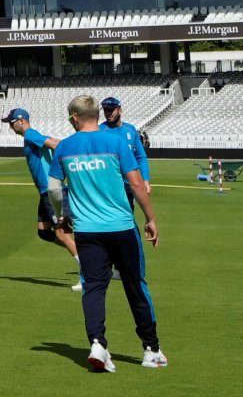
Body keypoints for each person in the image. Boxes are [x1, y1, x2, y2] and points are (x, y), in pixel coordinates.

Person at [52, 94, 166, 372]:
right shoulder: (116, 142)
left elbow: (54, 188)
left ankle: (98, 345)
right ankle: (151, 350)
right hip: (122, 227)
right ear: (95, 115)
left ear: (75, 118)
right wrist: (151, 219)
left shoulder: (65, 148)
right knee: (135, 286)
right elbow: (137, 184)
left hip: (87, 232)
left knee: (93, 289)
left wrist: (61, 215)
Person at [1, 107, 82, 291]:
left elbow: (56, 145)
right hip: (44, 192)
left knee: (62, 233)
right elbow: (56, 143)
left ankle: (86, 270)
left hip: (50, 191)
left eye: (11, 123)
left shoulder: (30, 134)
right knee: (44, 232)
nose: (11, 127)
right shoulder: (33, 136)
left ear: (21, 121)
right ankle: (83, 254)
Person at [100, 97, 151, 204]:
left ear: (120, 110)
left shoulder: (130, 129)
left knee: (128, 217)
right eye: (105, 110)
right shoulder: (100, 130)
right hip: (108, 186)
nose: (108, 113)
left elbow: (140, 156)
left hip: (129, 184)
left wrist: (146, 180)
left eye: (111, 110)